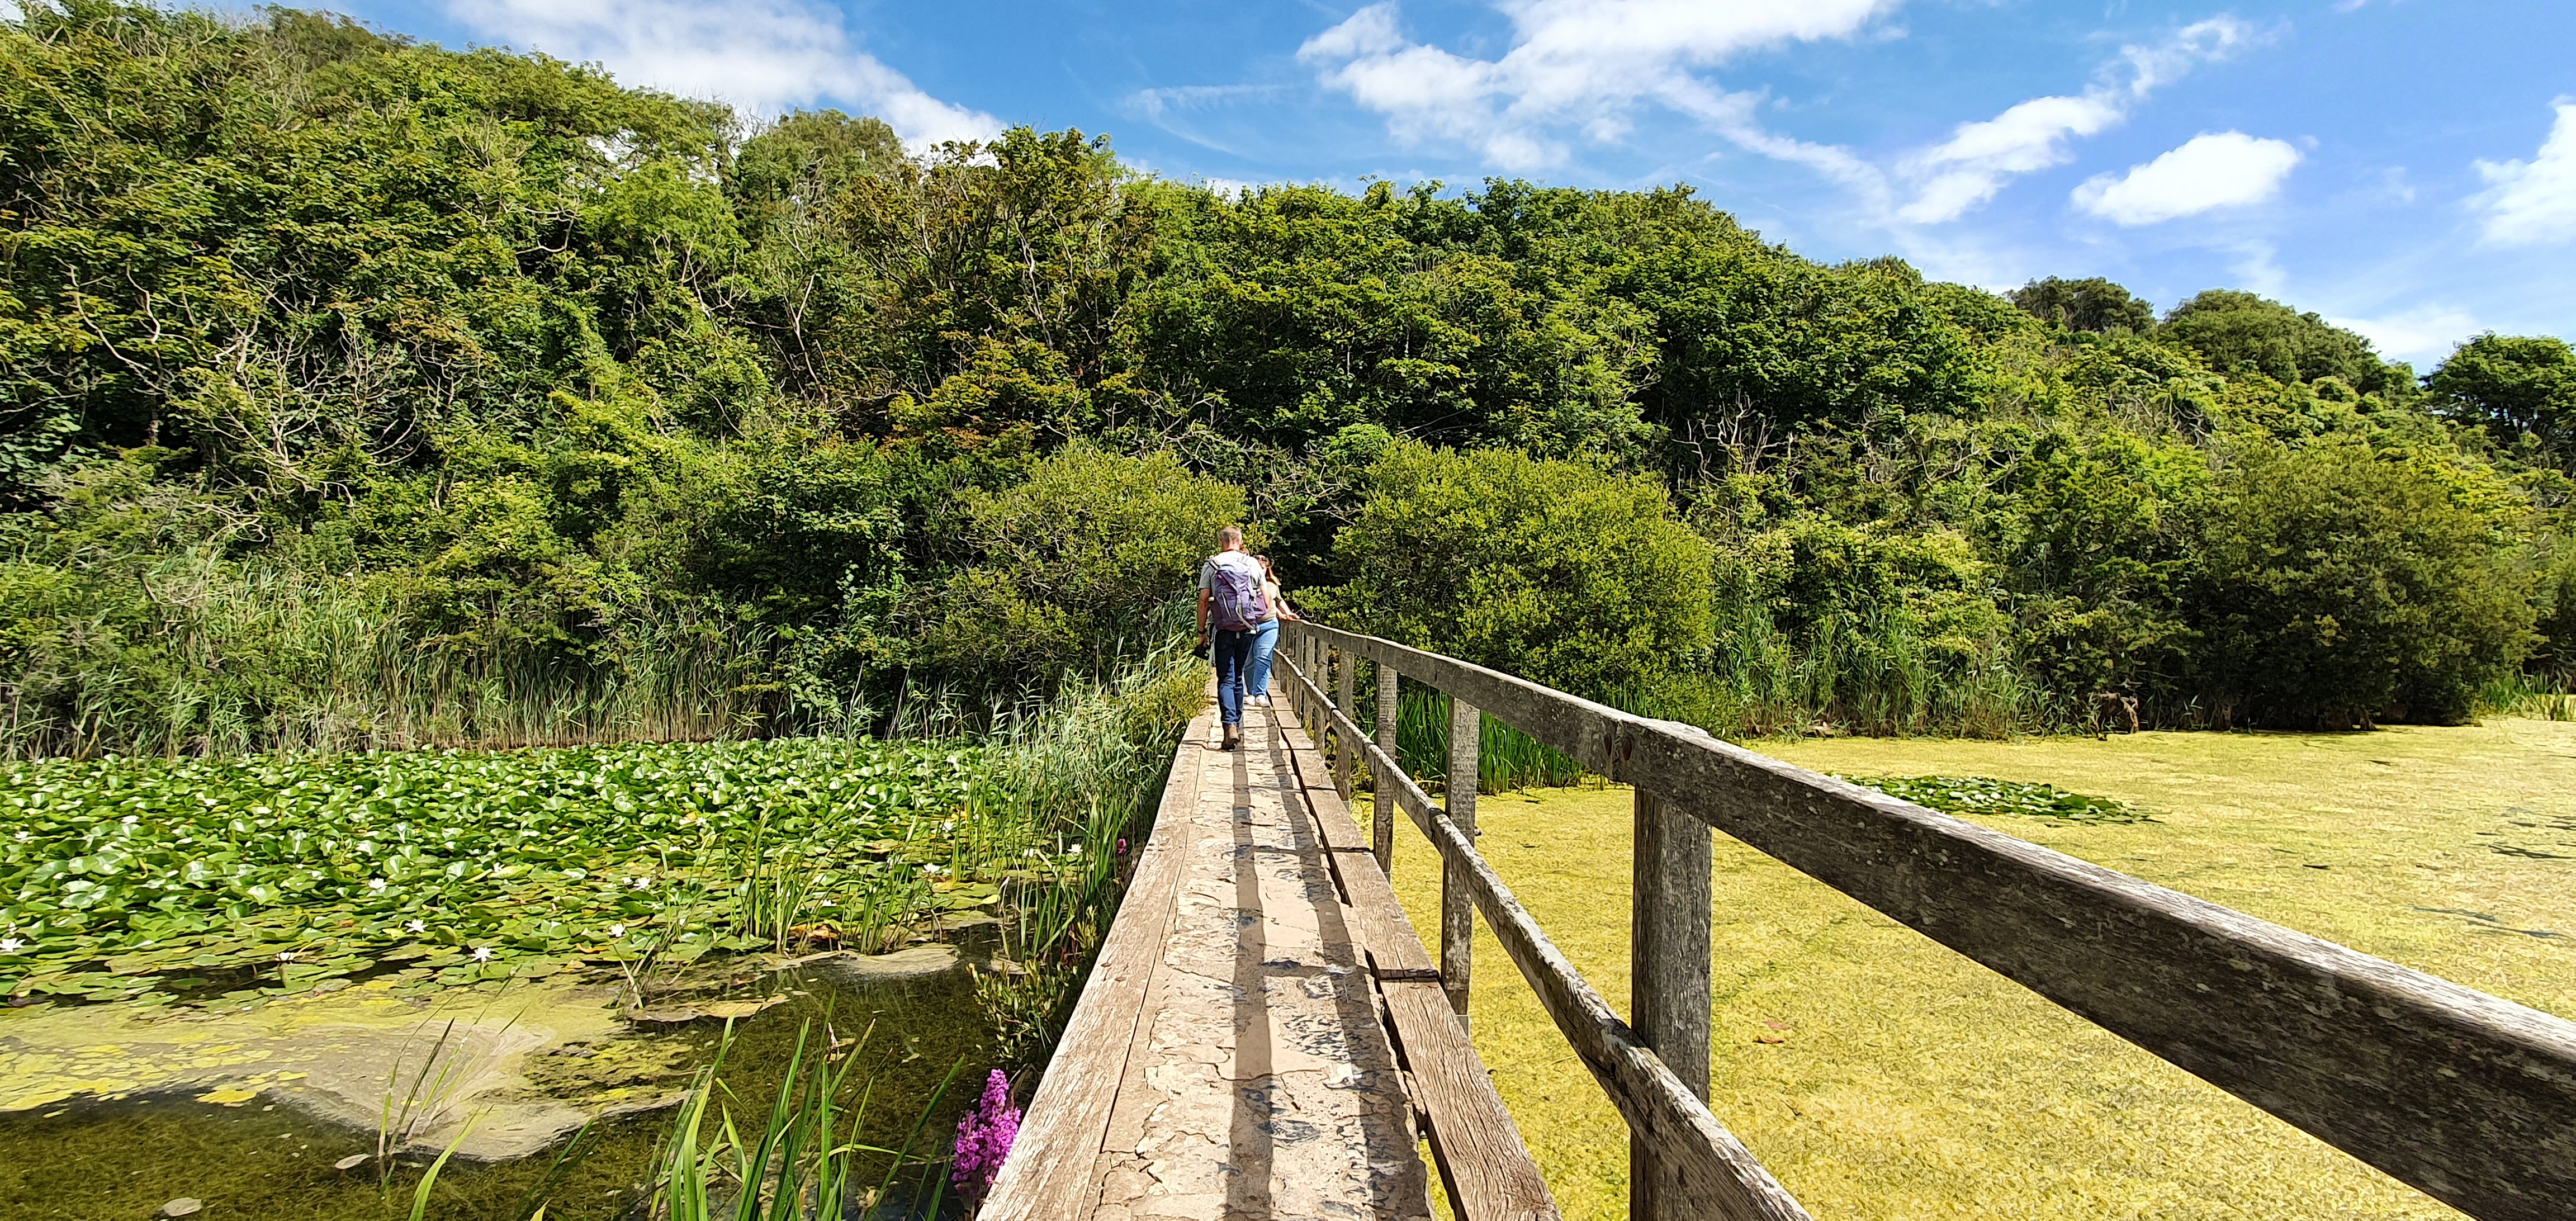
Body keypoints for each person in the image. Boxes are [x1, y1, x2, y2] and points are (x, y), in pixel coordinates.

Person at [1197, 526, 1273, 750]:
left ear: (1221, 542)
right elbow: (1266, 600)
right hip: (1247, 629)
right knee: (1238, 677)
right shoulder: (1252, 564)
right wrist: (1251, 619)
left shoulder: (1212, 565)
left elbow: (1203, 602)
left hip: (1222, 629)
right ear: (1241, 542)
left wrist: (1202, 633)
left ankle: (1229, 725)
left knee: (1226, 678)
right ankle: (1237, 726)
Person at [1246, 554, 1299, 707]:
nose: (1261, 566)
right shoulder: (1245, 583)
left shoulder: (1272, 585)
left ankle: (1260, 694)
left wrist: (1287, 613)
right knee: (1249, 661)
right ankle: (1251, 692)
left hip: (1269, 625)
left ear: (1267, 568)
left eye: (1264, 565)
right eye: (1258, 564)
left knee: (1263, 657)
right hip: (1248, 626)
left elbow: (1278, 601)